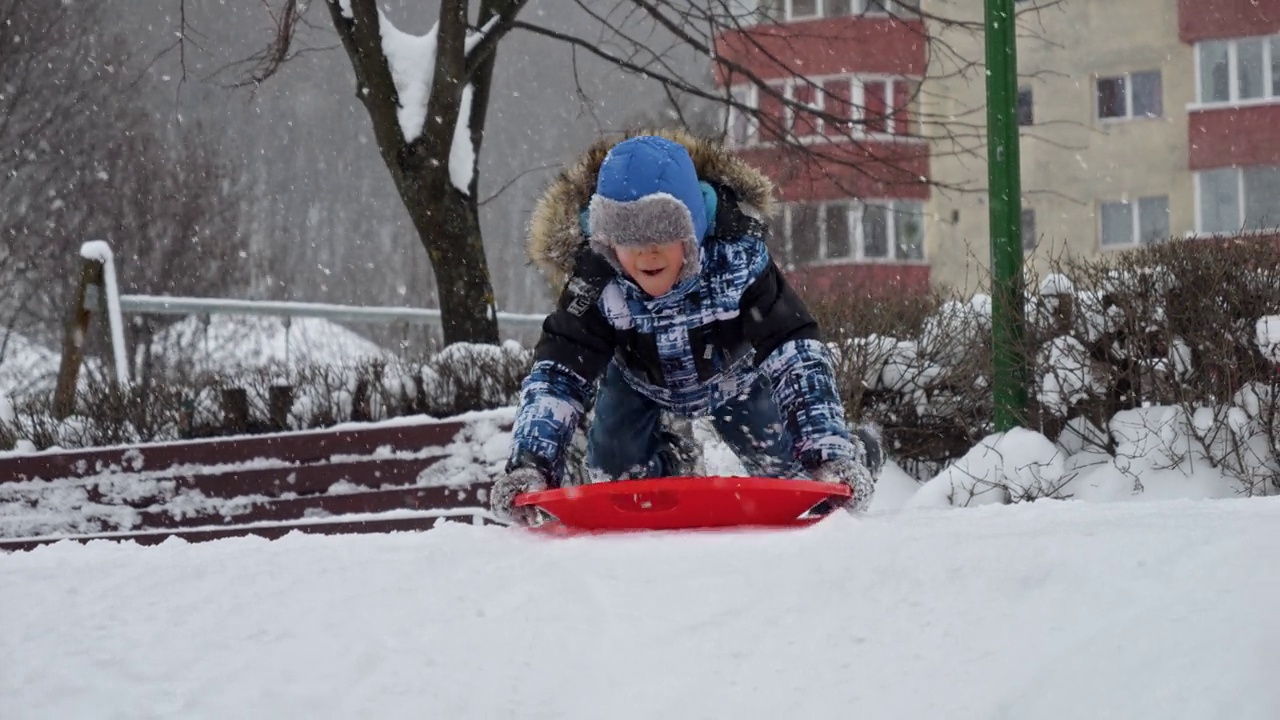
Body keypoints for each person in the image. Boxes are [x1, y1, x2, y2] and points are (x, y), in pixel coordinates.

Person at [490, 130, 882, 525]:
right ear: (607, 240)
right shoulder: (596, 281)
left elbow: (793, 351)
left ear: (692, 227)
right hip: (637, 382)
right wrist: (531, 463)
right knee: (615, 467)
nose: (647, 252)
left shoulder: (737, 260)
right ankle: (670, 462)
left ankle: (858, 451)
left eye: (662, 230)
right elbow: (560, 372)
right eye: (628, 237)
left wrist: (828, 453)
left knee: (785, 471)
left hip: (734, 379)